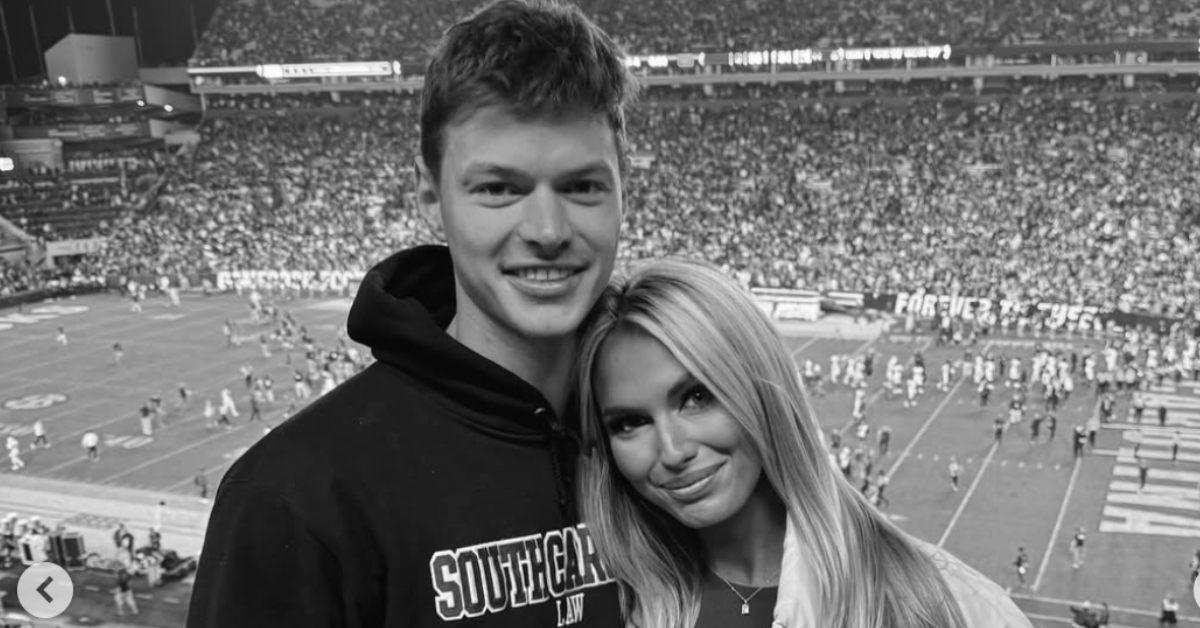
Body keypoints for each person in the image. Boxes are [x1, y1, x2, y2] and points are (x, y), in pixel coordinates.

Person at [186, 2, 636, 626]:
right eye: (498, 188)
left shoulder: (659, 442)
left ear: (623, 193)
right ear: (430, 196)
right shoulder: (296, 497)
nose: (547, 230)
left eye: (583, 186)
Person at [577, 260, 1032, 627]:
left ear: (760, 386)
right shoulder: (612, 605)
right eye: (629, 423)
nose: (673, 450)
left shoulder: (947, 604)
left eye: (698, 397)